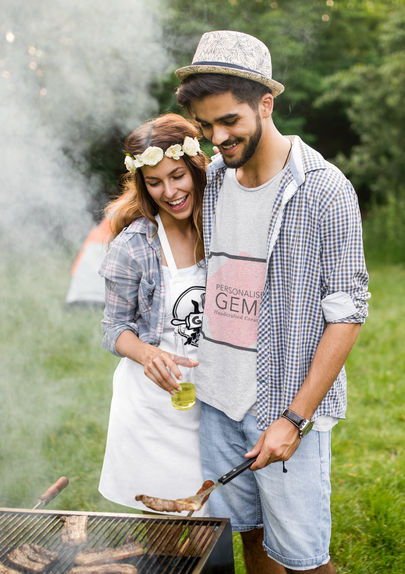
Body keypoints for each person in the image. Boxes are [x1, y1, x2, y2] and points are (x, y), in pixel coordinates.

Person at [175, 30, 370, 571]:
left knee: (305, 559)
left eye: (230, 121)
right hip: (218, 401)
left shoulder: (324, 189)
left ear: (266, 103)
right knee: (251, 538)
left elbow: (348, 311)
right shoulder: (212, 181)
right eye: (207, 125)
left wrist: (294, 419)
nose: (218, 137)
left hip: (283, 407)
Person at [98, 113, 210, 516]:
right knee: (170, 535)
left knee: (232, 520)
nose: (170, 191)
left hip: (216, 403)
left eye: (178, 176)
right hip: (153, 407)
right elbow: (114, 329)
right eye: (154, 182)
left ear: (196, 167)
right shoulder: (133, 246)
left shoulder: (223, 224)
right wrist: (149, 355)